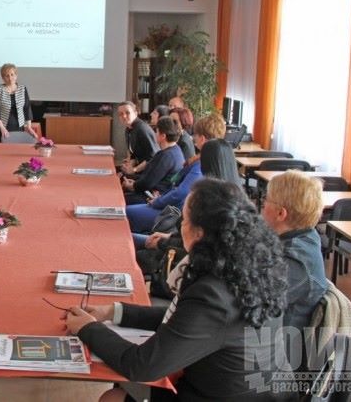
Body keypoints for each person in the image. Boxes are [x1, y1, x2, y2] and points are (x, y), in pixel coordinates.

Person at [66, 178, 288, 401]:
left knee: (112, 398)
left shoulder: (213, 295)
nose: (179, 227)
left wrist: (88, 328)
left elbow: (142, 366)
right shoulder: (247, 268)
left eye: (183, 220)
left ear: (199, 233)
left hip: (214, 394)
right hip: (256, 391)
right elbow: (187, 320)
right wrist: (113, 312)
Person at [126, 113, 226, 243]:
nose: (193, 137)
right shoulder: (208, 161)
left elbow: (181, 192)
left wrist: (157, 201)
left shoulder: (200, 164)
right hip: (171, 206)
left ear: (202, 138)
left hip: (173, 212)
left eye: (195, 135)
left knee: (126, 214)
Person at [261, 171, 327, 333]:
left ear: (281, 213)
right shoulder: (305, 234)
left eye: (266, 200)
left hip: (278, 347)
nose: (262, 205)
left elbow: (249, 300)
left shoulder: (296, 262)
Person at [122, 117, 184, 205]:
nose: (155, 134)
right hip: (153, 192)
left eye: (157, 132)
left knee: (119, 199)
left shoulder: (166, 156)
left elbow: (147, 183)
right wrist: (135, 182)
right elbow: (148, 178)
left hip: (153, 198)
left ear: (163, 136)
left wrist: (132, 185)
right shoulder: (175, 150)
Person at [0, 63, 37, 141]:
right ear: (3, 78)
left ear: (16, 76)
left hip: (19, 126)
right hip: (3, 126)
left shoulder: (23, 88)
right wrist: (1, 127)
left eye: (12, 74)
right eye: (7, 75)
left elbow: (27, 107)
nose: (10, 78)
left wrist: (29, 127)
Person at [118, 101, 159, 176]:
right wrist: (129, 165)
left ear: (135, 113)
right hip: (138, 167)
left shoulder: (142, 129)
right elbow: (134, 154)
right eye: (121, 114)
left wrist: (134, 170)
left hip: (148, 173)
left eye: (127, 113)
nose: (124, 116)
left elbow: (153, 157)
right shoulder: (128, 129)